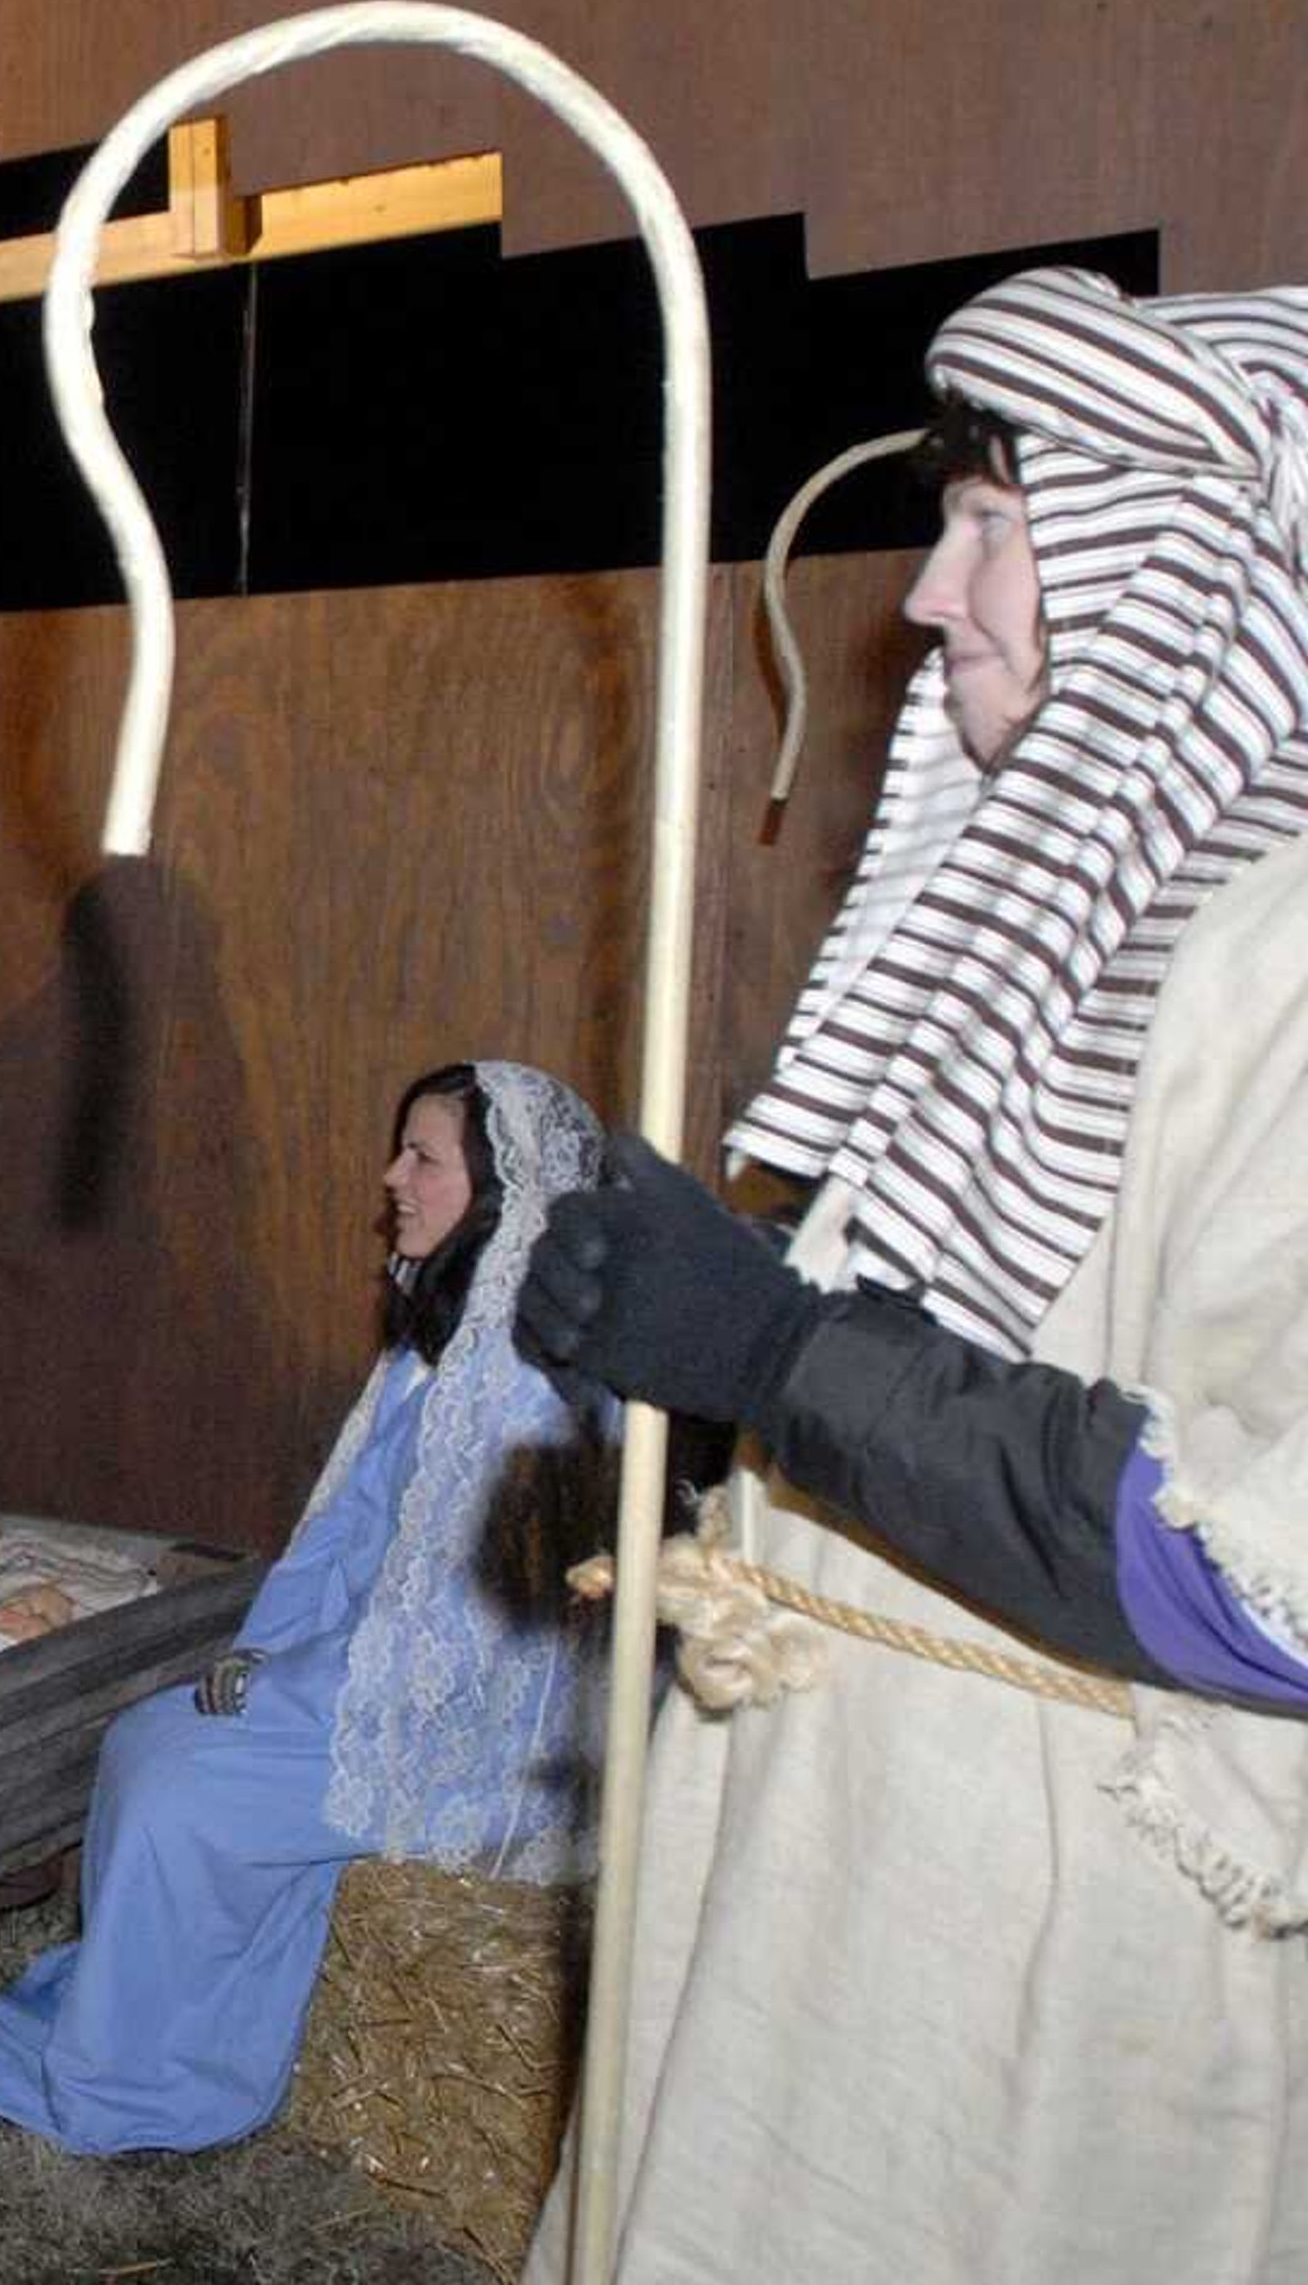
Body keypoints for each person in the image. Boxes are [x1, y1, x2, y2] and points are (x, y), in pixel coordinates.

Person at [512, 269, 1308, 2281]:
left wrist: (779, 1351)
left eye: (995, 525)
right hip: (829, 1856)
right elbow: (963, 1349)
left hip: (1053, 1963)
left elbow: (1266, 1579)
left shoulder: (1286, 970)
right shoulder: (1064, 930)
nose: (930, 594)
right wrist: (708, 1327)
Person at [0, 1062, 615, 2149]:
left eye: (424, 1157)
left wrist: (296, 1681)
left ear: (503, 1193)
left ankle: (141, 2092)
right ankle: (135, 2048)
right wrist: (269, 1651)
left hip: (462, 1723)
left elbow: (482, 1637)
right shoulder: (435, 1345)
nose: (391, 1176)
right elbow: (345, 1537)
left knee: (175, 1780)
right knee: (156, 1740)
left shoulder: (531, 1378)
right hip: (366, 1665)